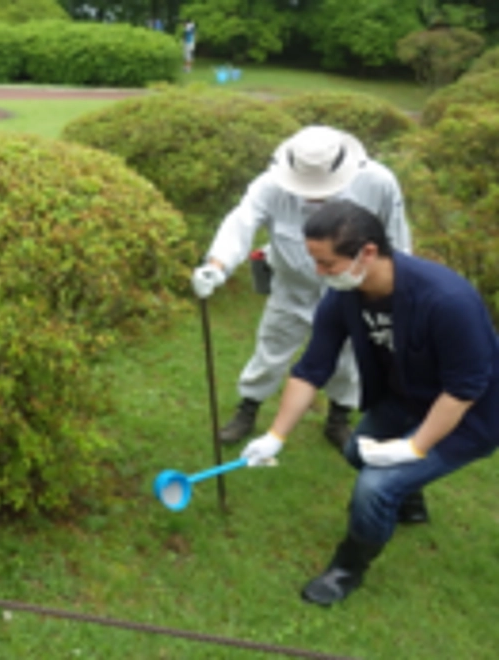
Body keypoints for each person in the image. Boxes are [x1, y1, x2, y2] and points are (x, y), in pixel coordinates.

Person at [239, 199, 499, 605]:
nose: (318, 273)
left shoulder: (447, 300)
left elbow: (465, 389)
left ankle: (347, 568)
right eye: (314, 261)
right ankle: (409, 498)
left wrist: (414, 447)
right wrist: (276, 435)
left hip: (467, 416)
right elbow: (312, 368)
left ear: (369, 252)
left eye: (326, 264)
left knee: (374, 488)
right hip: (404, 400)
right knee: (357, 453)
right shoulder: (345, 297)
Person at [191, 125, 412, 450]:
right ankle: (247, 410)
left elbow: (396, 239)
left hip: (352, 290)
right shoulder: (270, 185)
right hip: (291, 289)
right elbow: (242, 221)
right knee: (271, 349)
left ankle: (338, 418)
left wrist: (396, 290)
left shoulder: (378, 183)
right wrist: (216, 265)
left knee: (349, 358)